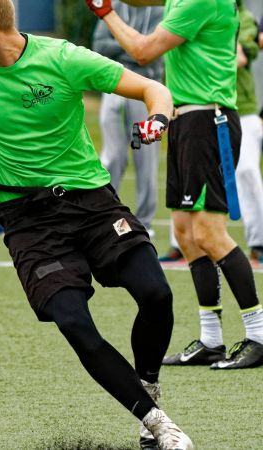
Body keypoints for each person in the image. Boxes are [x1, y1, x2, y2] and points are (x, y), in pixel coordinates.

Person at [0, 0, 192, 448]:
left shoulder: (64, 58)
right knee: (74, 322)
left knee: (157, 294)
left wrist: (158, 119)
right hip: (28, 218)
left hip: (91, 202)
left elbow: (151, 89)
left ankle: (147, 389)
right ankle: (159, 424)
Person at [87, 0, 263, 370]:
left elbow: (142, 50)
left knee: (210, 234)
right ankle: (211, 341)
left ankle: (258, 334)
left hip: (207, 121)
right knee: (184, 233)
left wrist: (105, 12)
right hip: (184, 121)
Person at [92, 1, 163, 235]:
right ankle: (104, 215)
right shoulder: (116, 6)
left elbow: (151, 53)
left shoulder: (160, 9)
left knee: (145, 158)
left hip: (144, 91)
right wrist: (134, 47)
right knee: (113, 157)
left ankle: (144, 222)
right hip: (113, 89)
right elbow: (99, 46)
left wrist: (135, 50)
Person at [234, 0, 263, 262]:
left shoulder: (244, 17)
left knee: (247, 171)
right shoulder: (185, 8)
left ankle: (260, 242)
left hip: (242, 110)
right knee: (193, 177)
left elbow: (240, 57)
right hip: (197, 105)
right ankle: (182, 244)